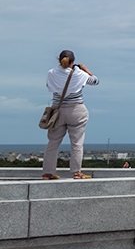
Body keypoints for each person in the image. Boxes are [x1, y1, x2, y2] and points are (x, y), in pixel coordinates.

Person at [41, 50, 99, 180]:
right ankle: (77, 172)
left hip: (57, 110)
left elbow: (48, 86)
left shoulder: (51, 73)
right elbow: (95, 81)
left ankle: (48, 173)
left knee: (53, 143)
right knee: (77, 143)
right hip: (76, 110)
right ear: (73, 61)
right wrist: (86, 70)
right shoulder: (79, 74)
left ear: (59, 60)